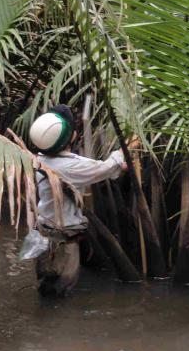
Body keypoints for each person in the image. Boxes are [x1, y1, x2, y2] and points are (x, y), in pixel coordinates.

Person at [29, 104, 139, 296]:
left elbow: (94, 168)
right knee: (59, 293)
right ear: (69, 136)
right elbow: (101, 169)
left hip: (42, 234)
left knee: (45, 289)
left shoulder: (40, 158)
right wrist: (127, 148)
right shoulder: (69, 166)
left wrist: (116, 166)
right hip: (61, 242)